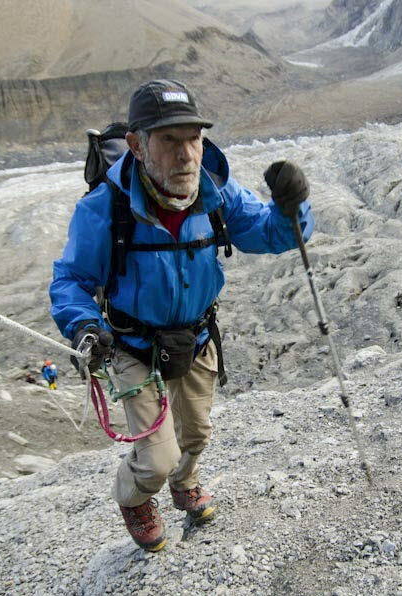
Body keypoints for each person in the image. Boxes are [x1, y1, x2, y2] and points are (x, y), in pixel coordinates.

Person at [50, 79, 313, 552]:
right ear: (136, 144)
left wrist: (293, 207)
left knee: (196, 433)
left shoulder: (214, 191)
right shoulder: (105, 207)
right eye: (169, 140)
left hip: (195, 338)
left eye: (192, 137)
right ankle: (134, 497)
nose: (186, 153)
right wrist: (85, 326)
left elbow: (271, 234)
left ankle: (184, 483)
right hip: (132, 345)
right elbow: (71, 279)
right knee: (155, 458)